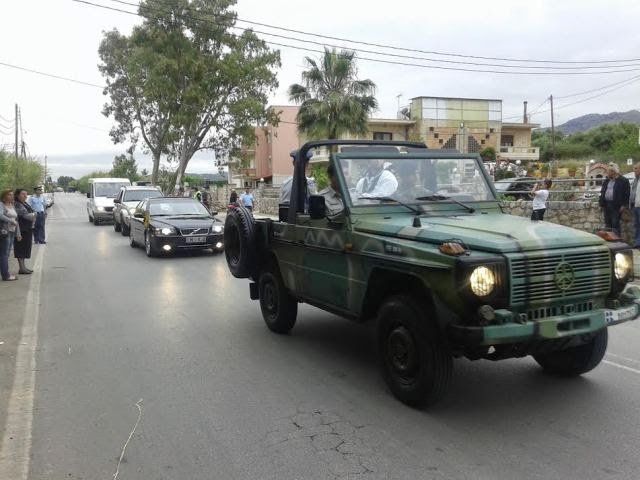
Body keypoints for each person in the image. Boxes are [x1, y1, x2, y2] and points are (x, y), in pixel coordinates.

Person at [598, 163, 630, 236]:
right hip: (606, 204)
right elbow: (602, 192)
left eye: (608, 171)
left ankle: (616, 241)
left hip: (616, 205)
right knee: (607, 223)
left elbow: (626, 194)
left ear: (613, 172)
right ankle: (609, 239)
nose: (607, 173)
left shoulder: (623, 180)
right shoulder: (607, 180)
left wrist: (624, 205)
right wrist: (601, 203)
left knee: (615, 223)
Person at [14, 189, 36, 274]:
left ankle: (23, 267)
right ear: (17, 195)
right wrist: (34, 214)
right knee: (21, 249)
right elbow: (26, 215)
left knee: (25, 248)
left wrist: (33, 214)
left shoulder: (24, 203)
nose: (25, 196)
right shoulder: (17, 204)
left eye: (26, 194)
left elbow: (30, 213)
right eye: (23, 194)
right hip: (21, 229)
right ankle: (22, 268)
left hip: (27, 228)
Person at [0, 189, 21, 281]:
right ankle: (6, 275)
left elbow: (16, 220)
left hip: (12, 232)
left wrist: (18, 233)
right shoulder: (1, 205)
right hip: (5, 232)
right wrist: (10, 220)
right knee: (4, 254)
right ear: (4, 196)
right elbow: (0, 215)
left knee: (7, 254)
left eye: (12, 195)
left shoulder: (12, 205)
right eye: (9, 195)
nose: (11, 196)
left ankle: (5, 272)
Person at [629, 162, 640, 248]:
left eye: (636, 169)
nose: (634, 170)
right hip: (634, 206)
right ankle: (637, 243)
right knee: (636, 225)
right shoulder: (635, 180)